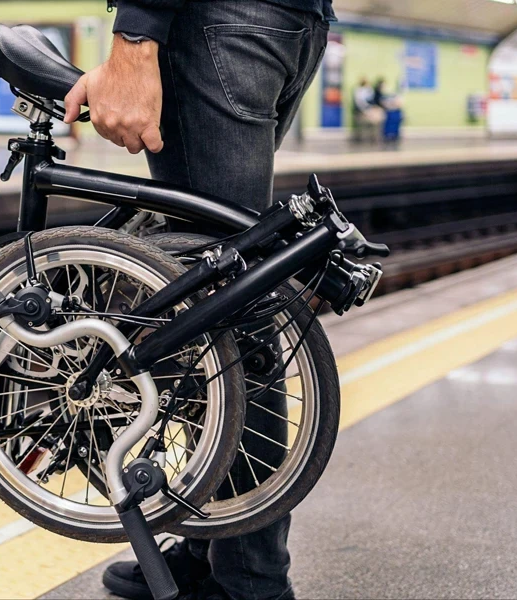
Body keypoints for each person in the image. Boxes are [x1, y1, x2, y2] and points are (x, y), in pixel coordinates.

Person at [63, 1, 332, 598]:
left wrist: (136, 34)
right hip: (286, 21)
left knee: (228, 314)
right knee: (219, 291)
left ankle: (251, 582)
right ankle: (213, 552)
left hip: (216, 20)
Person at [352, 77, 384, 143]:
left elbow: (371, 101)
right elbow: (360, 104)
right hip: (361, 111)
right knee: (371, 118)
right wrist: (366, 110)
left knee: (379, 116)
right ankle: (369, 138)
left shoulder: (369, 91)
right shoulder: (359, 91)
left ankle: (376, 137)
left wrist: (372, 108)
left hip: (369, 110)